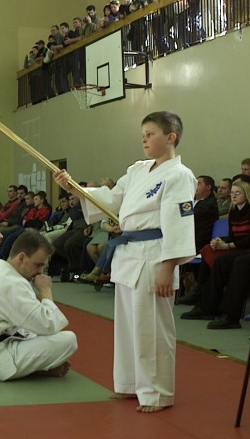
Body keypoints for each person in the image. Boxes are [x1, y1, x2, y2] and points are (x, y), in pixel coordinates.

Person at [55, 111, 197, 413]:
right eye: (142, 134)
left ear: (170, 137)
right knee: (129, 327)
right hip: (129, 255)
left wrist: (168, 267)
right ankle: (130, 383)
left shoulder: (179, 175)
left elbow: (179, 224)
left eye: (150, 134)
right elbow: (109, 199)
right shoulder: (137, 170)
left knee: (152, 329)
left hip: (155, 254)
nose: (144, 140)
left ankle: (157, 393)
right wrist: (73, 188)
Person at [0, 230, 78, 380]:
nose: (40, 271)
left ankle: (34, 367)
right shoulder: (11, 282)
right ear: (21, 257)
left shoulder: (1, 272)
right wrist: (45, 290)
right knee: (68, 340)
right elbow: (49, 325)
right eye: (38, 264)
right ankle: (34, 369)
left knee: (33, 332)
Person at [181, 179, 250, 322]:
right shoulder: (233, 212)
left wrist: (228, 245)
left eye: (238, 193)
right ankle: (203, 300)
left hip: (247, 249)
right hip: (238, 247)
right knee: (209, 249)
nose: (233, 196)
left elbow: (249, 239)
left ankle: (226, 312)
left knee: (230, 261)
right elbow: (233, 236)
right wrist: (220, 241)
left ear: (247, 194)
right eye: (232, 193)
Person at [193, 175, 219, 252]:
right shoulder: (192, 201)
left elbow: (190, 218)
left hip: (198, 243)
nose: (194, 186)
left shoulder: (209, 205)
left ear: (208, 187)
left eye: (198, 184)